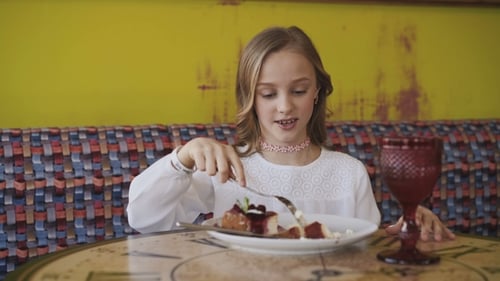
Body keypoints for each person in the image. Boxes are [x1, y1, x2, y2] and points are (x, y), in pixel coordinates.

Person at [127, 25, 455, 242]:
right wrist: (183, 158)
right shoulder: (226, 169)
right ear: (251, 100)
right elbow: (145, 219)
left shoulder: (348, 172)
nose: (285, 106)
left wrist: (405, 227)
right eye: (268, 95)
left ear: (317, 91)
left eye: (298, 90)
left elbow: (363, 248)